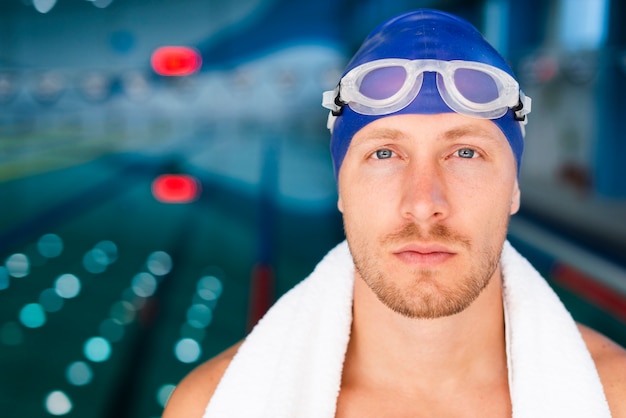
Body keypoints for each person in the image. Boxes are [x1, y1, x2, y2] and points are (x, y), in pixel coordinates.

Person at [164, 9, 626, 418]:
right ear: (341, 188)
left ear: (514, 189)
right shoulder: (211, 406)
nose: (424, 203)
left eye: (465, 152)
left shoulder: (617, 397)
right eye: (384, 154)